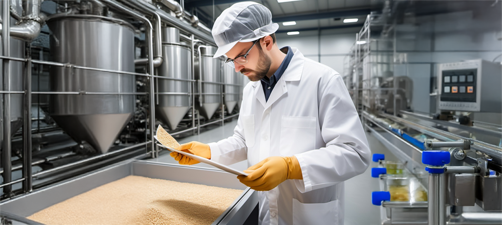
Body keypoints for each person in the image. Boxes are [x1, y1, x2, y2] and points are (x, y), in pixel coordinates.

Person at [170, 2, 371, 224]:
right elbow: (245, 140)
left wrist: (291, 167)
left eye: (241, 56)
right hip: (267, 212)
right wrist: (209, 151)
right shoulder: (251, 89)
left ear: (266, 41)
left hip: (310, 215)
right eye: (231, 60)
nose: (237, 68)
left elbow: (355, 153)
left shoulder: (323, 80)